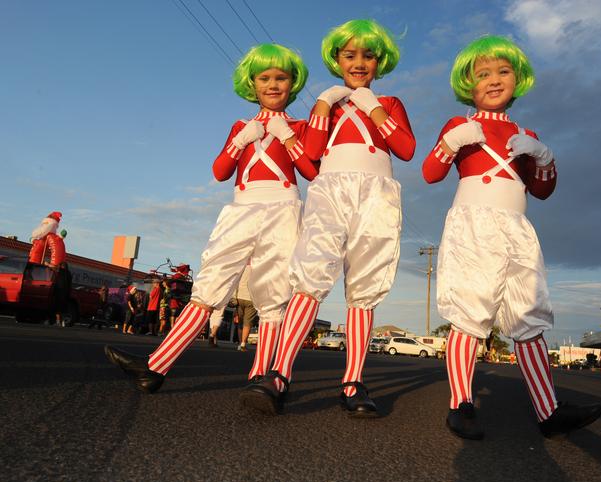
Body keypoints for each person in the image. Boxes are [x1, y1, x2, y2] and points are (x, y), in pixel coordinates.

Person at [104, 43, 318, 393]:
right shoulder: (240, 126)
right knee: (210, 283)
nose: (273, 84)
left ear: (293, 83)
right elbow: (220, 171)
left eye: (281, 77)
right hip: (241, 208)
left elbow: (311, 170)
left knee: (274, 291)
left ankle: (262, 378)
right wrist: (241, 140)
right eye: (265, 77)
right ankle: (156, 367)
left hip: (284, 208)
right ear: (252, 84)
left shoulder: (300, 125)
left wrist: (289, 137)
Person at [421, 35, 601, 439]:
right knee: (469, 314)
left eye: (503, 71)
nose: (494, 80)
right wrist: (452, 142)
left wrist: (544, 156)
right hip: (473, 224)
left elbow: (542, 191)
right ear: (468, 83)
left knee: (528, 316)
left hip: (517, 227)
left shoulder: (525, 132)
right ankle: (461, 403)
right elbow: (430, 173)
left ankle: (549, 411)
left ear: (517, 80)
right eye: (483, 73)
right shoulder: (459, 124)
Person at [240, 19, 415, 418]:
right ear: (336, 59)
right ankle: (279, 376)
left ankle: (353, 382)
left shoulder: (389, 103)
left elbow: (405, 148)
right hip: (330, 188)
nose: (358, 63)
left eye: (367, 55)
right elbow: (313, 154)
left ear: (380, 61)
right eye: (349, 55)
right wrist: (321, 104)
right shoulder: (330, 104)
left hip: (377, 192)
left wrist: (371, 106)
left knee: (366, 287)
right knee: (311, 273)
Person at [53, 261, 72, 327]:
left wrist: (47, 264)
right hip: (66, 294)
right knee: (63, 309)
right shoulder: (69, 274)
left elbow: (53, 267)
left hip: (59, 292)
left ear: (62, 266)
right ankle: (63, 322)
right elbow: (70, 285)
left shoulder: (60, 271)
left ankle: (58, 322)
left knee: (57, 309)